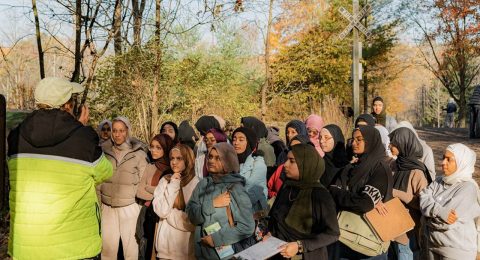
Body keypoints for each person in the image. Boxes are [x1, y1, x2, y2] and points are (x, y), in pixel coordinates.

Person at [7, 77, 113, 259]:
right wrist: (80, 128)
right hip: (75, 247)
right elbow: (106, 172)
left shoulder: (16, 135)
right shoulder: (83, 138)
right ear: (67, 105)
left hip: (26, 247)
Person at [329, 125, 393, 259]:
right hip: (344, 238)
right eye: (353, 139)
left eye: (359, 140)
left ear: (370, 141)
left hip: (369, 243)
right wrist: (356, 198)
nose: (354, 143)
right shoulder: (351, 167)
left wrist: (340, 193)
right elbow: (332, 191)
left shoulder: (380, 169)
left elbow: (364, 204)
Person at [268, 144, 340, 259]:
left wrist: (300, 246)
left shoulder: (320, 195)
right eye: (287, 159)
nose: (285, 165)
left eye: (292, 161)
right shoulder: (287, 186)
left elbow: (332, 233)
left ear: (306, 164)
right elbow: (275, 216)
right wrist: (270, 233)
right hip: (278, 251)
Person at [186, 142, 255, 260]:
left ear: (228, 161)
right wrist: (212, 204)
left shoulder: (236, 188)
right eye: (210, 156)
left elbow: (247, 226)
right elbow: (191, 215)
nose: (211, 161)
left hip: (226, 256)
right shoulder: (203, 184)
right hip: (201, 254)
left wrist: (216, 239)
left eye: (218, 158)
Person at [420, 143, 480, 260]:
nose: (443, 163)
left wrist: (428, 214)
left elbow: (446, 224)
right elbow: (423, 197)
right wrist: (439, 211)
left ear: (461, 162)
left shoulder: (468, 188)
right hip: (431, 247)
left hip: (456, 252)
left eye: (449, 160)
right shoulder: (438, 181)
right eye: (443, 158)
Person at [100, 116, 148, 260]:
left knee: (131, 251)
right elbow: (98, 180)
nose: (117, 134)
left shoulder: (139, 153)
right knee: (107, 251)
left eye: (121, 131)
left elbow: (142, 181)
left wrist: (138, 207)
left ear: (127, 131)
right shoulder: (103, 152)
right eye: (114, 131)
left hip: (129, 207)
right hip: (107, 207)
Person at [388, 127, 430, 259]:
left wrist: (397, 193)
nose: (390, 145)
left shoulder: (417, 172)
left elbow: (423, 204)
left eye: (393, 143)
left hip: (408, 233)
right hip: (389, 227)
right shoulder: (393, 166)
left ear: (403, 144)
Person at [152, 144, 199, 260]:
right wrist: (173, 184)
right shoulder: (165, 180)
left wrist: (169, 214)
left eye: (179, 158)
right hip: (164, 249)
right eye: (172, 158)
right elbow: (162, 211)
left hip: (186, 250)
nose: (174, 162)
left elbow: (192, 222)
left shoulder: (196, 183)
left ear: (188, 159)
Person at [136, 134, 174, 260]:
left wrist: (150, 188)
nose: (154, 150)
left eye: (158, 147)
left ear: (166, 148)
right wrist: (158, 191)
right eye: (152, 147)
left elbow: (170, 196)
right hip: (148, 215)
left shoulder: (172, 169)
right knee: (146, 248)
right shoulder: (150, 166)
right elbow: (139, 192)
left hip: (164, 218)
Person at [232, 127, 268, 212]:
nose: (236, 143)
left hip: (250, 214)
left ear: (249, 143)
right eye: (234, 139)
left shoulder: (258, 165)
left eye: (241, 140)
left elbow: (250, 195)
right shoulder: (230, 163)